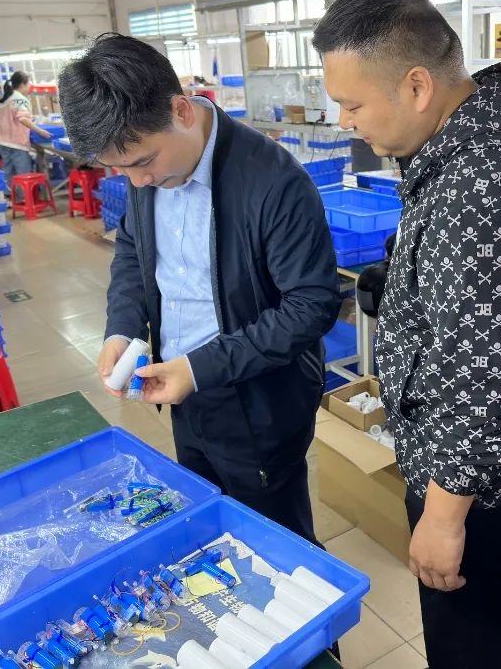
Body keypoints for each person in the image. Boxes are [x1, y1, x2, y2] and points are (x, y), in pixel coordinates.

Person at [313, 0, 501, 669]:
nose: (345, 121)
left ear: (415, 87)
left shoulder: (478, 185)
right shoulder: (472, 139)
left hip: (484, 486)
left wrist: (442, 516)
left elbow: (479, 377)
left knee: (472, 649)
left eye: (352, 104)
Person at [58, 33, 342, 544]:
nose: (136, 182)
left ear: (181, 111)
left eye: (142, 163)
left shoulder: (273, 181)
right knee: (210, 533)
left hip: (257, 400)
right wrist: (122, 328)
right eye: (120, 170)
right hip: (182, 392)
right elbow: (133, 250)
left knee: (276, 544)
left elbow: (311, 305)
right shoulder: (148, 168)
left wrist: (199, 368)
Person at [0, 71, 51, 185]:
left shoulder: (8, 97)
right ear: (22, 85)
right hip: (15, 142)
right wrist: (40, 131)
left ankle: (9, 194)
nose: (29, 87)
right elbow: (22, 118)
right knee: (23, 173)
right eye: (28, 84)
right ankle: (24, 195)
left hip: (2, 140)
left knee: (8, 171)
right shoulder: (19, 98)